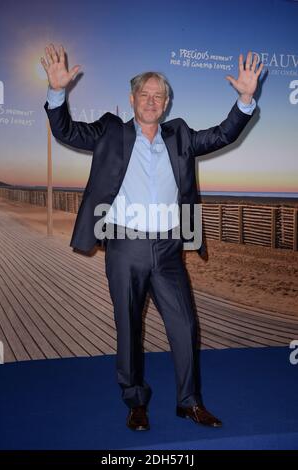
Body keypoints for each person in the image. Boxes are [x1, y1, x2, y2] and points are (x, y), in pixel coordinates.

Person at [41, 44, 263, 431]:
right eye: (144, 94)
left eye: (158, 96)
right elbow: (65, 130)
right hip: (124, 246)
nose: (151, 101)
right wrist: (57, 93)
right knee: (128, 327)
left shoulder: (180, 136)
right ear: (132, 99)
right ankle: (135, 401)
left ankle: (189, 402)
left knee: (185, 326)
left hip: (168, 248)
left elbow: (223, 134)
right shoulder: (110, 131)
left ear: (166, 104)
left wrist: (245, 99)